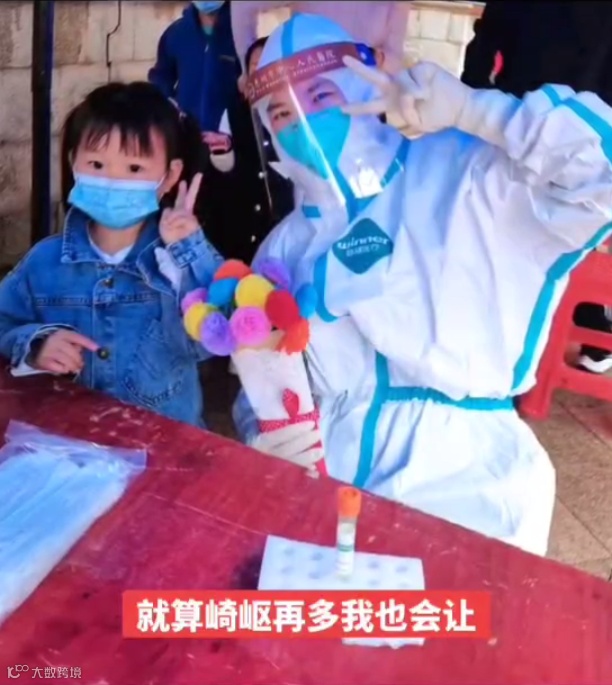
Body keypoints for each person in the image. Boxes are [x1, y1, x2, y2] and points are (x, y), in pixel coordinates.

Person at [233, 13, 612, 556]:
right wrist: (266, 434)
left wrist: (479, 112)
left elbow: (600, 173)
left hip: (470, 487)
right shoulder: (285, 246)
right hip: (329, 491)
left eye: (321, 96)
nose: (305, 124)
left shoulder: (469, 174)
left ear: (361, 86)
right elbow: (268, 375)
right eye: (281, 113)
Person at [0, 82, 222, 427]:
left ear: (170, 175)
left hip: (162, 447)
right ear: (73, 162)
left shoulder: (183, 261)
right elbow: (4, 320)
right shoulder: (44, 262)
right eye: (96, 163)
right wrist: (36, 344)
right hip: (69, 442)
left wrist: (188, 251)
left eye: (134, 169)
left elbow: (216, 337)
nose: (113, 180)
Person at [461, 1, 612, 374]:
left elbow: (488, 39)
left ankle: (587, 323)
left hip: (535, 126)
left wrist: (470, 103)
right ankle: (589, 325)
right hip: (541, 129)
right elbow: (489, 37)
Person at [206, 35, 296, 261]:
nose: (264, 73)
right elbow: (225, 172)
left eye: (271, 63)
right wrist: (223, 153)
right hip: (249, 228)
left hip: (292, 223)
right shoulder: (234, 113)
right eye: (256, 66)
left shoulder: (302, 114)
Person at [231, 1, 409, 74]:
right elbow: (243, 4)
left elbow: (394, 60)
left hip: (367, 115)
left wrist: (375, 57)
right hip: (309, 111)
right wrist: (249, 65)